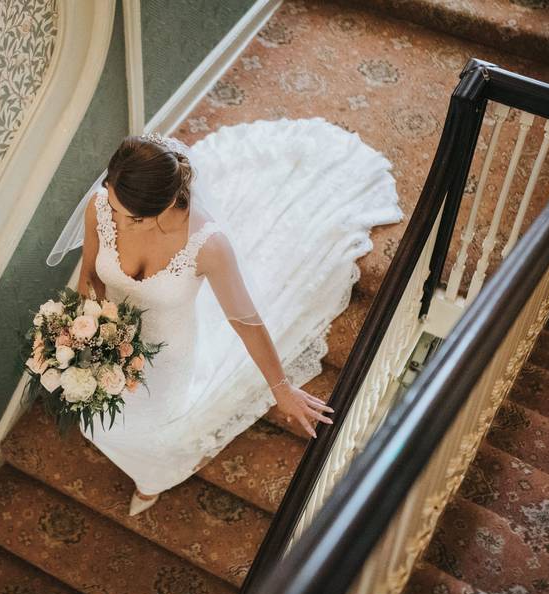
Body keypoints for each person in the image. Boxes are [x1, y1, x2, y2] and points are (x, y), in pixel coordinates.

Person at [46, 119, 403, 515]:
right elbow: (91, 276)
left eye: (133, 218)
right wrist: (88, 333)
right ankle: (145, 468)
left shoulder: (208, 245)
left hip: (168, 355)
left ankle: (153, 479)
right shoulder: (103, 206)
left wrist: (281, 388)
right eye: (113, 204)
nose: (117, 218)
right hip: (109, 339)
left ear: (166, 206)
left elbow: (244, 320)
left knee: (152, 426)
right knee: (98, 414)